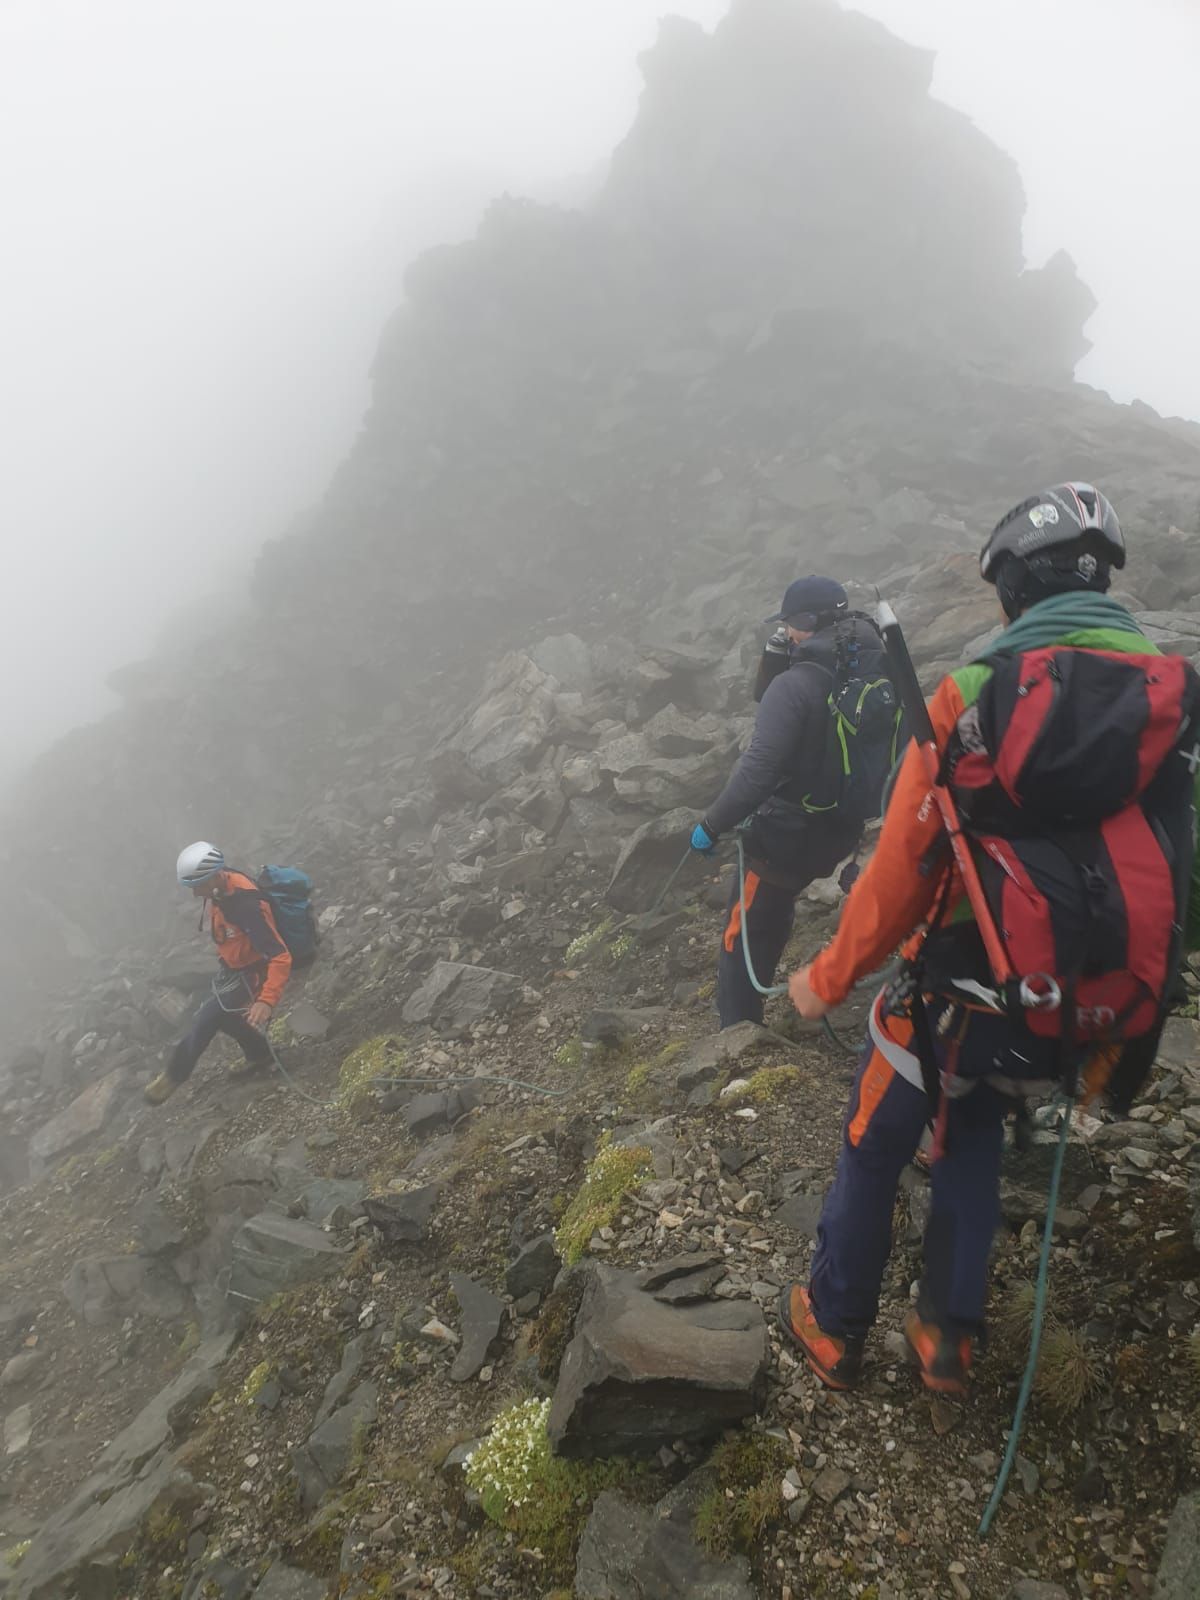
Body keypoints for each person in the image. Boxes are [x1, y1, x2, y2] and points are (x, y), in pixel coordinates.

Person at [779, 484, 1200, 1395]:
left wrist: (827, 975)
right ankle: (945, 1341)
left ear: (1015, 587)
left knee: (872, 1139)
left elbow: (899, 872)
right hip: (1084, 1001)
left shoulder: (972, 696)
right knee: (971, 1136)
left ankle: (833, 1321)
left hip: (962, 990)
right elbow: (1177, 872)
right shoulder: (1171, 704)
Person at [691, 575, 892, 1027]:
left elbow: (758, 770)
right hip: (843, 828)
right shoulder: (872, 663)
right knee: (774, 907)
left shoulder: (797, 684)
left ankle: (738, 1036)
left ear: (807, 621)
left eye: (789, 626)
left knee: (742, 931)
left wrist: (712, 824)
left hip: (789, 833)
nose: (786, 634)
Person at [144, 842, 292, 1105]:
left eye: (197, 886)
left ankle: (173, 1076)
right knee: (221, 1016)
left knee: (207, 1018)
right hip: (236, 970)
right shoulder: (223, 888)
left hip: (253, 974)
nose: (194, 895)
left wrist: (265, 1001)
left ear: (214, 877)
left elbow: (280, 956)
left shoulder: (246, 906)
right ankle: (260, 1054)